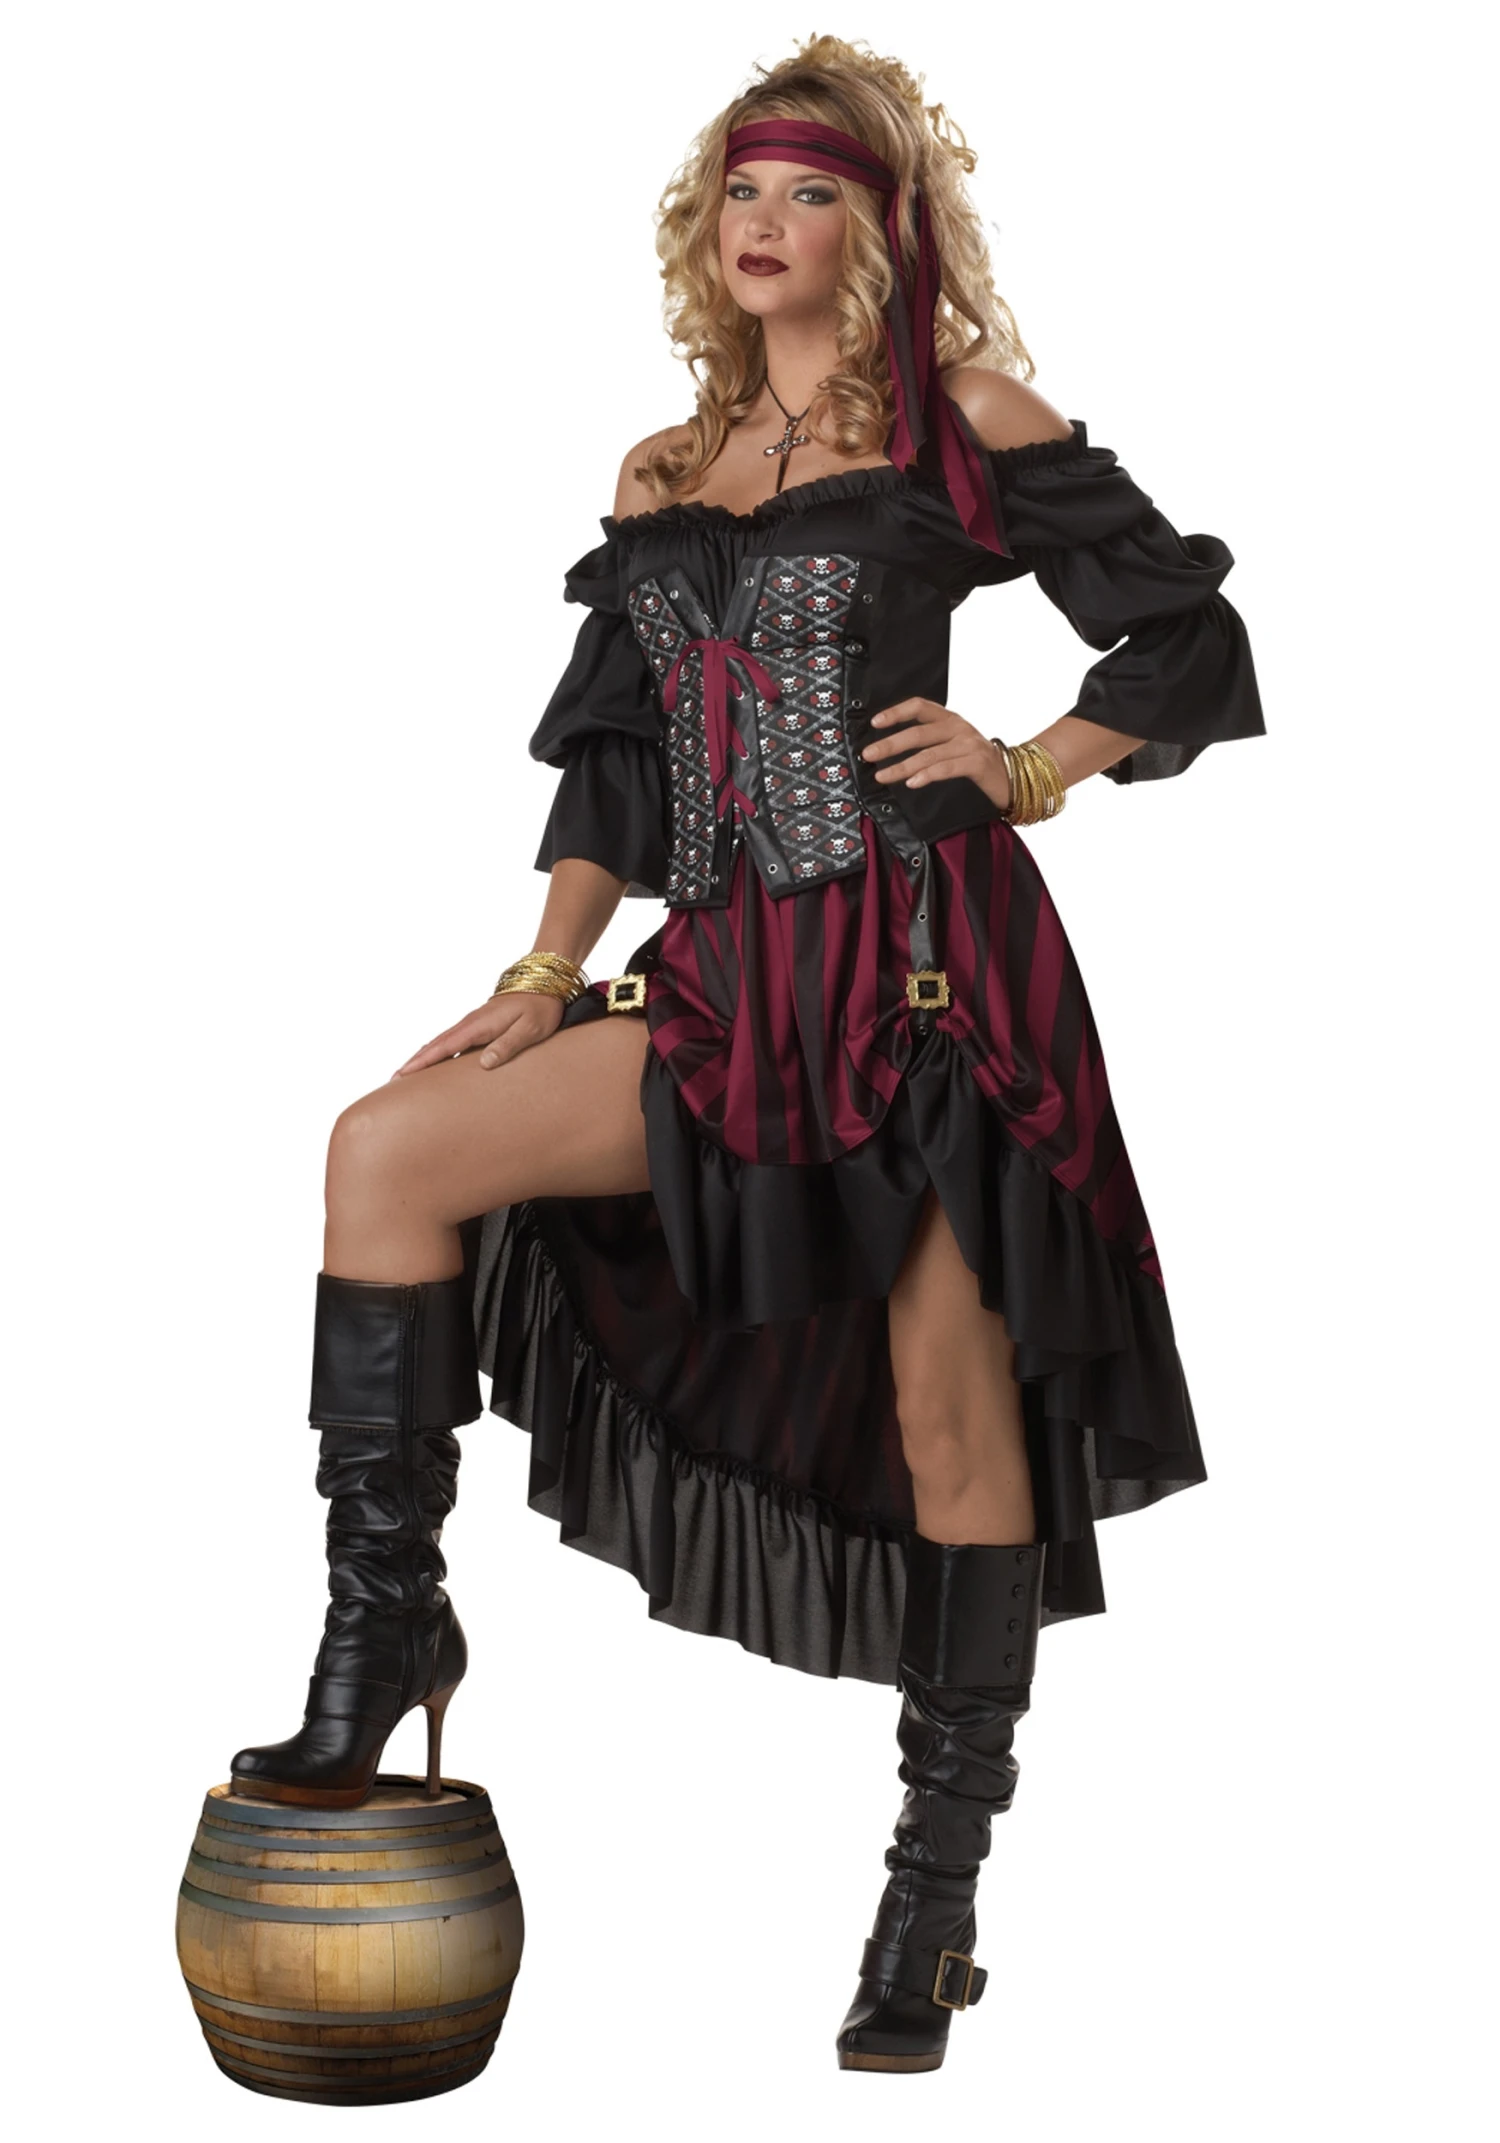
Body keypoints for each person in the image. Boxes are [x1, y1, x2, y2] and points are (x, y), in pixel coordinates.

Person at [226, 33, 1264, 2075]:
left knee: (954, 1424)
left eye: (810, 194)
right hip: (717, 983)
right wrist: (546, 970)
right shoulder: (663, 468)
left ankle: (930, 1906)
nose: (764, 223)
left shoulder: (965, 423)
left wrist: (1026, 765)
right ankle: (386, 1624)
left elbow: (1190, 638)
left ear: (882, 230)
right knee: (386, 1150)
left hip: (930, 977)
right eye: (741, 192)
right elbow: (619, 756)